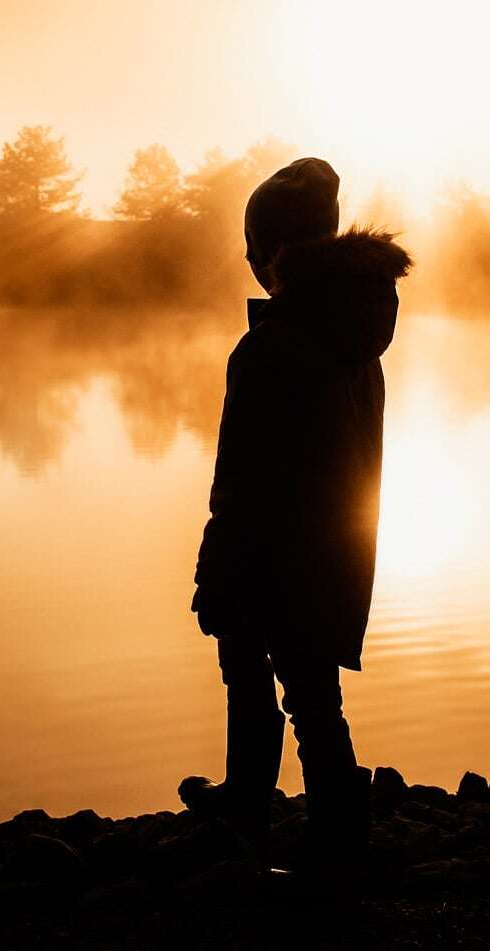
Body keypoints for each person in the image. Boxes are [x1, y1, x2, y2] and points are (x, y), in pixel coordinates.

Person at [179, 156, 413, 874]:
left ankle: (317, 836)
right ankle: (263, 804)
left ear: (278, 248)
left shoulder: (276, 344)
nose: (248, 258)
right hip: (336, 548)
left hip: (277, 552)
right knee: (302, 688)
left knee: (279, 684)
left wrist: (218, 569)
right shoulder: (352, 333)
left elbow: (241, 479)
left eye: (254, 244)